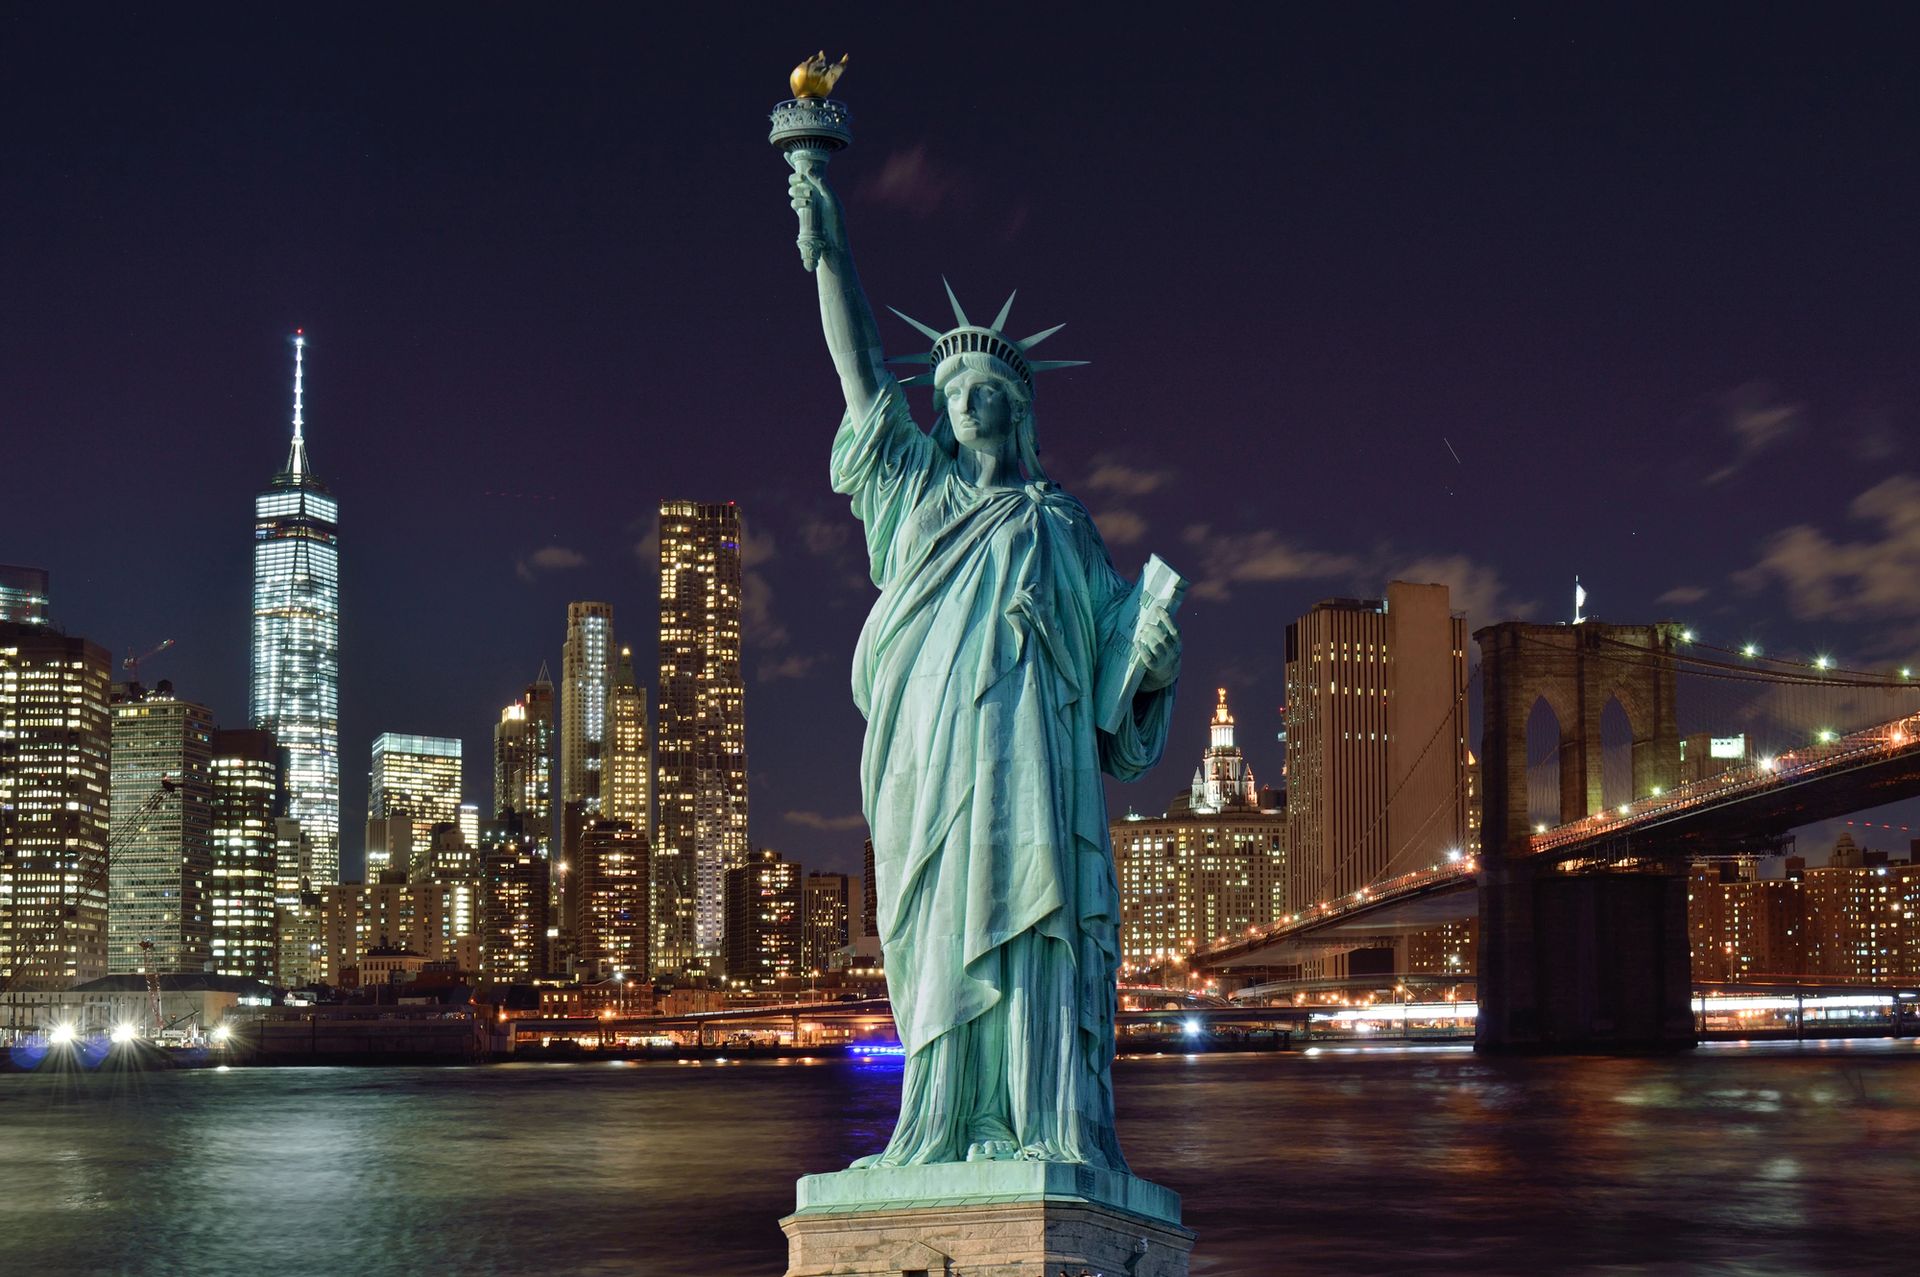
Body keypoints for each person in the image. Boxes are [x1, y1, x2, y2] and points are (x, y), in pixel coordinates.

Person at [788, 165, 1182, 1169]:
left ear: (1014, 404)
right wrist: (829, 244)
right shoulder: (914, 486)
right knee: (935, 924)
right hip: (931, 755)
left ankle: (1037, 1120)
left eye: (978, 390)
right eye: (949, 390)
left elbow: (1112, 713)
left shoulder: (1064, 526)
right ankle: (943, 1120)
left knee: (1031, 926)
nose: (958, 401)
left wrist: (1152, 665)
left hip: (1033, 767)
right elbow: (863, 371)